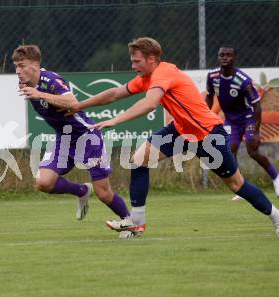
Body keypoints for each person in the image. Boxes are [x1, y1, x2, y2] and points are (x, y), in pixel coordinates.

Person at [67, 37, 279, 237]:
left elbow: (150, 103)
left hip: (208, 134)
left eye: (136, 61)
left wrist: (115, 120)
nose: (133, 66)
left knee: (236, 185)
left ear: (151, 59)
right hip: (180, 131)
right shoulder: (146, 77)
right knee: (139, 161)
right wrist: (79, 105)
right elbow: (114, 94)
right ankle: (136, 221)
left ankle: (276, 216)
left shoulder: (163, 73)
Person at [12, 44, 130, 222]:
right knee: (43, 182)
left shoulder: (50, 81)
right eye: (16, 66)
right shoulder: (25, 82)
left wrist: (40, 94)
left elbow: (71, 101)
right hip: (64, 139)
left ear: (35, 65)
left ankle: (129, 221)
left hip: (87, 137)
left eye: (21, 65)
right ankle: (82, 191)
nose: (17, 71)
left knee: (103, 193)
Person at [205, 46, 279, 200]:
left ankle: (276, 178)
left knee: (252, 151)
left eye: (228, 55)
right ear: (218, 58)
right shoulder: (212, 77)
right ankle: (242, 187)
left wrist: (257, 131)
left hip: (248, 118)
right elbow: (210, 97)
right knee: (230, 151)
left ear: (234, 58)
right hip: (231, 120)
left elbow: (257, 105)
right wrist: (204, 115)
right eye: (221, 55)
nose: (224, 58)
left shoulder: (243, 80)